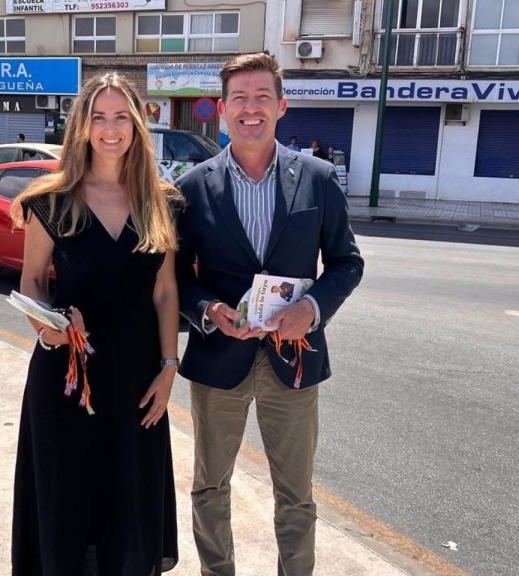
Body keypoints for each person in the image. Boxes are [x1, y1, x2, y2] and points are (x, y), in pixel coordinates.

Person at [174, 52, 364, 576]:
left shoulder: (319, 179)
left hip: (294, 359)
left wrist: (312, 307)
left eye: (262, 97)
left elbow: (347, 262)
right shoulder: (193, 187)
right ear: (222, 107)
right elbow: (176, 277)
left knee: (296, 494)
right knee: (210, 486)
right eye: (239, 97)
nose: (250, 108)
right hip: (219, 361)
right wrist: (208, 309)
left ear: (281, 106)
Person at [9, 72, 180, 576]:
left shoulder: (161, 201)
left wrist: (169, 369)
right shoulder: (53, 199)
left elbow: (166, 289)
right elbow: (33, 281)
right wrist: (48, 328)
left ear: (137, 126)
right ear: (81, 126)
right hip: (67, 381)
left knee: (129, 504)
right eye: (98, 116)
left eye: (121, 117)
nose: (110, 128)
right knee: (68, 506)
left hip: (136, 379)